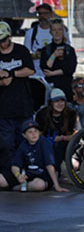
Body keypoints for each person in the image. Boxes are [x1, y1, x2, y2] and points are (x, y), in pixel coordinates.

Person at [0, 21, 36, 154]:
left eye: (4, 40)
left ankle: (25, 171)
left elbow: (31, 70)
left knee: (25, 143)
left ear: (9, 36)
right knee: (6, 144)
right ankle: (9, 172)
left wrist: (11, 73)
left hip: (23, 107)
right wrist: (2, 82)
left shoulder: (21, 50)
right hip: (4, 111)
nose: (2, 44)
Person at [10, 120, 68, 192]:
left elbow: (49, 165)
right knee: (2, 181)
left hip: (43, 175)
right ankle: (21, 185)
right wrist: (18, 175)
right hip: (28, 175)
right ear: (24, 135)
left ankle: (16, 188)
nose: (34, 134)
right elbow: (15, 165)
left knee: (38, 185)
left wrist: (57, 185)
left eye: (36, 131)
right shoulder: (23, 146)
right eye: (30, 132)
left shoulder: (44, 143)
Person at [36, 88, 77, 173]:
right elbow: (37, 134)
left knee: (63, 149)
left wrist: (61, 138)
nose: (60, 104)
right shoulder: (42, 114)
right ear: (51, 102)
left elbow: (76, 133)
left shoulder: (71, 113)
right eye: (56, 101)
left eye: (62, 101)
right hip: (46, 144)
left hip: (66, 144)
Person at [39, 19, 76, 100]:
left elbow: (70, 69)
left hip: (66, 87)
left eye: (59, 29)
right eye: (54, 30)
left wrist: (52, 73)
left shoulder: (70, 50)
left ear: (63, 31)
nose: (57, 32)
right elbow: (45, 68)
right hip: (51, 87)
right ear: (51, 32)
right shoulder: (46, 50)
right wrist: (54, 55)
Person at [23, 3, 54, 78]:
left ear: (51, 14)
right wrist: (35, 55)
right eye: (40, 14)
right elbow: (25, 55)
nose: (42, 16)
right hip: (36, 75)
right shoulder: (30, 33)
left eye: (45, 13)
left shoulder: (58, 31)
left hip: (54, 73)